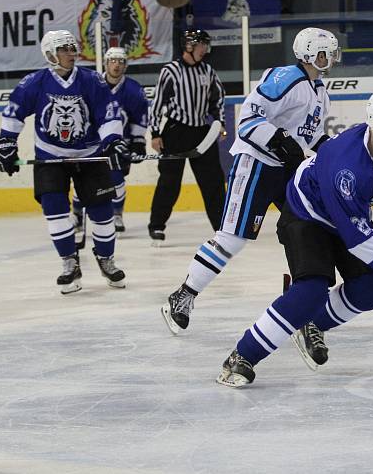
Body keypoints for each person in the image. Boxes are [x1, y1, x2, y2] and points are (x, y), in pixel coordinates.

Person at [215, 88, 373, 387]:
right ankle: (241, 356)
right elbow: (358, 239)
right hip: (305, 214)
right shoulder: (346, 165)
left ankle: (313, 323)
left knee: (371, 287)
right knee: (310, 290)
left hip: (347, 218)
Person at [160, 27, 339, 335]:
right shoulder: (286, 78)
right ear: (309, 53)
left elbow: (313, 137)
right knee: (232, 238)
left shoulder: (319, 91)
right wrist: (279, 137)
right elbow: (248, 118)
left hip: (287, 171)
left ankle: (298, 299)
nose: (332, 58)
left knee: (309, 231)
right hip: (257, 164)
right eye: (326, 52)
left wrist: (337, 153)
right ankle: (184, 294)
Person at [0, 30, 128, 294]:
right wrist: (7, 143)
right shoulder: (35, 82)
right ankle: (69, 263)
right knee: (54, 210)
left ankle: (105, 259)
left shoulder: (91, 80)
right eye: (64, 49)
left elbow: (107, 112)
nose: (71, 54)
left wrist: (112, 140)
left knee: (102, 211)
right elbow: (14, 112)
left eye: (72, 48)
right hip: (50, 156)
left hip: (88, 155)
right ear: (50, 54)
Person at [148, 29, 226, 245]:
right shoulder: (170, 71)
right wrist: (155, 133)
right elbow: (158, 103)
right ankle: (156, 225)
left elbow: (218, 99)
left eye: (206, 46)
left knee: (214, 182)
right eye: (202, 45)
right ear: (189, 46)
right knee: (169, 183)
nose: (205, 50)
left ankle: (221, 228)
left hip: (201, 131)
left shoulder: (208, 71)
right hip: (175, 132)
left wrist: (220, 123)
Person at [73, 47, 149, 237]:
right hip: (92, 143)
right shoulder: (93, 85)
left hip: (117, 144)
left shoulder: (133, 90)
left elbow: (139, 117)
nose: (116, 65)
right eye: (113, 61)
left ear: (125, 65)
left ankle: (117, 214)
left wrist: (138, 142)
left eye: (121, 61)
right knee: (84, 180)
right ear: (106, 63)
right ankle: (76, 213)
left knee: (116, 179)